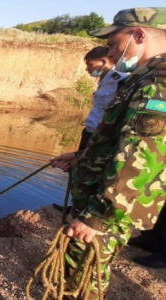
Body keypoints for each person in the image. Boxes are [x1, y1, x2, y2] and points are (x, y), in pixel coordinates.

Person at [50, 7, 166, 299]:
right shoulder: (143, 77)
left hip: (108, 208)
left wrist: (98, 218)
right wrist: (81, 158)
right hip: (103, 199)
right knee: (77, 270)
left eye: (114, 43)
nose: (111, 52)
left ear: (139, 34)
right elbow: (120, 140)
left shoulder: (157, 86)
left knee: (83, 274)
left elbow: (141, 158)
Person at [52, 46, 129, 213]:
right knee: (80, 170)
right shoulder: (104, 80)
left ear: (103, 62)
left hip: (101, 137)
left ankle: (87, 211)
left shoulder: (121, 81)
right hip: (90, 133)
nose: (88, 69)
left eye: (90, 64)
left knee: (91, 174)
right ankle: (77, 207)